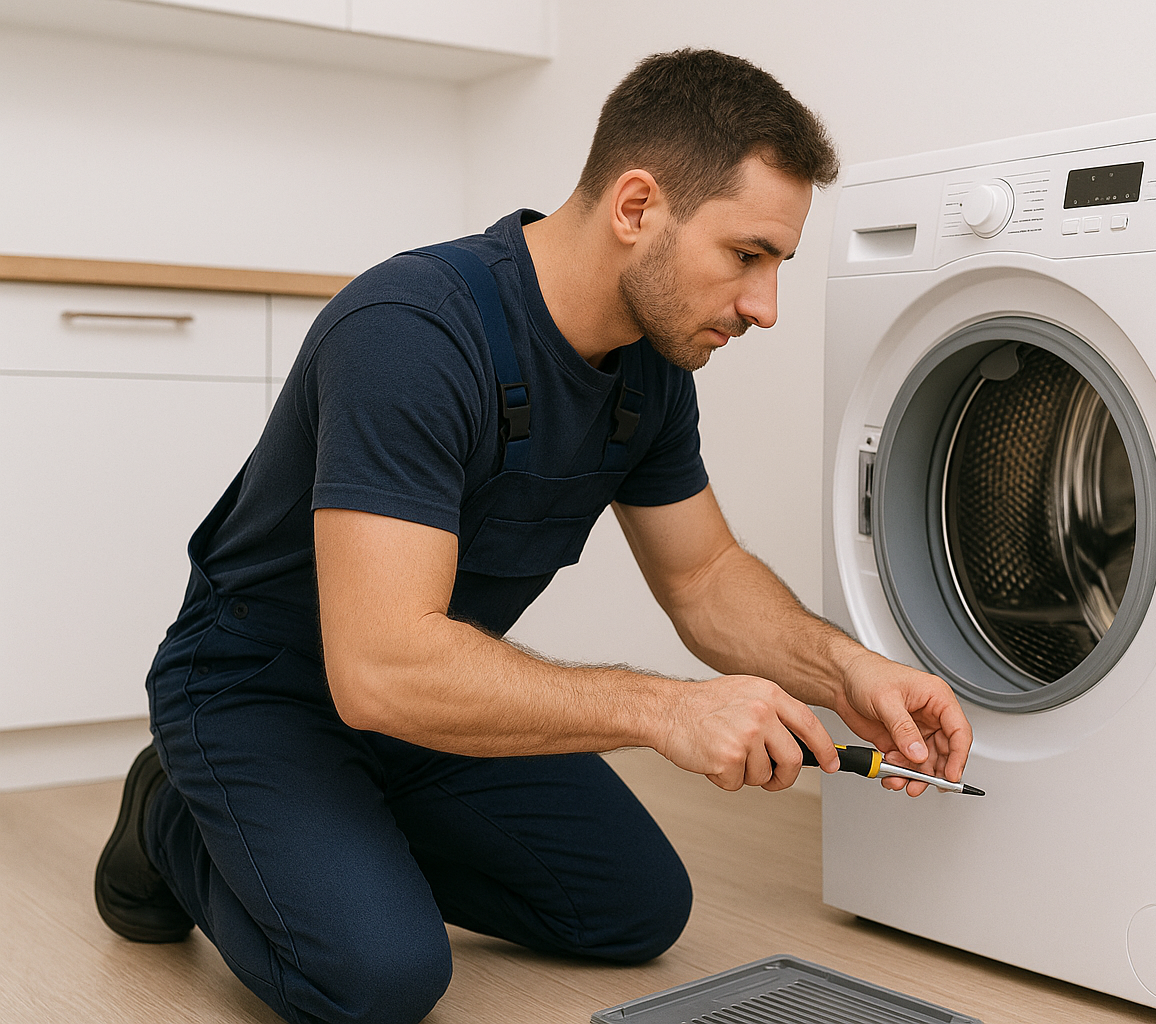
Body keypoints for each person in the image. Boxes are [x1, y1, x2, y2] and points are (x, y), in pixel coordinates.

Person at [93, 48, 974, 1024]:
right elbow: (380, 664)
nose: (765, 306)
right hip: (264, 688)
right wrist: (665, 710)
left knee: (632, 909)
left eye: (779, 264)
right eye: (747, 255)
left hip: (431, 704)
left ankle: (338, 832)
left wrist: (849, 672)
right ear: (636, 207)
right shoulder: (411, 333)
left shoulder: (649, 374)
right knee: (378, 979)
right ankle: (172, 812)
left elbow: (707, 575)